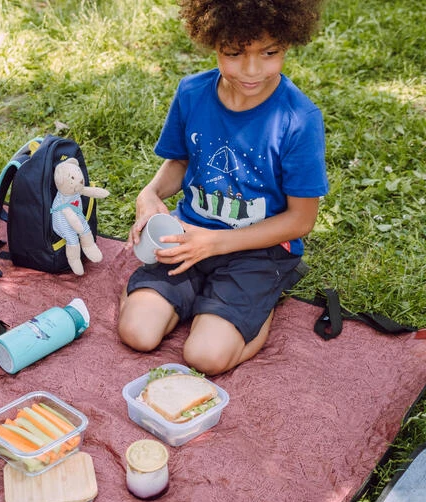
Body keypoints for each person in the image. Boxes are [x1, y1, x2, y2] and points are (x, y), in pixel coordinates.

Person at [118, 0, 329, 375]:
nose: (252, 69)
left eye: (269, 53)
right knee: (137, 333)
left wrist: (214, 243)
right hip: (188, 235)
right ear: (213, 42)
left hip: (258, 251)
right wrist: (148, 195)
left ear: (287, 42)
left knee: (206, 357)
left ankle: (260, 303)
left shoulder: (299, 119)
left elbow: (301, 220)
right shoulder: (192, 93)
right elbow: (180, 162)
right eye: (234, 53)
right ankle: (196, 300)